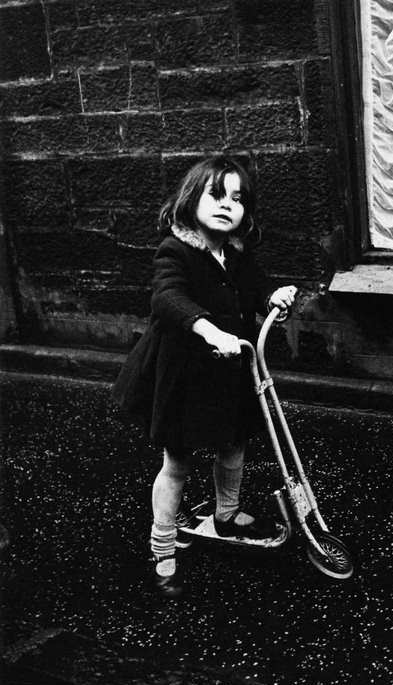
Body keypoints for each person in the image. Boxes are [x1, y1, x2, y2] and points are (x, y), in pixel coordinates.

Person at [112, 155, 297, 599]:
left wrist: (275, 295)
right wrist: (208, 328)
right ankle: (162, 541)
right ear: (191, 199)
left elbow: (255, 286)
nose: (226, 205)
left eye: (236, 199)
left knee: (234, 443)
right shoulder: (174, 251)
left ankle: (227, 513)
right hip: (186, 373)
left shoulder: (236, 254)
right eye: (216, 195)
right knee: (177, 460)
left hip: (231, 371)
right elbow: (167, 298)